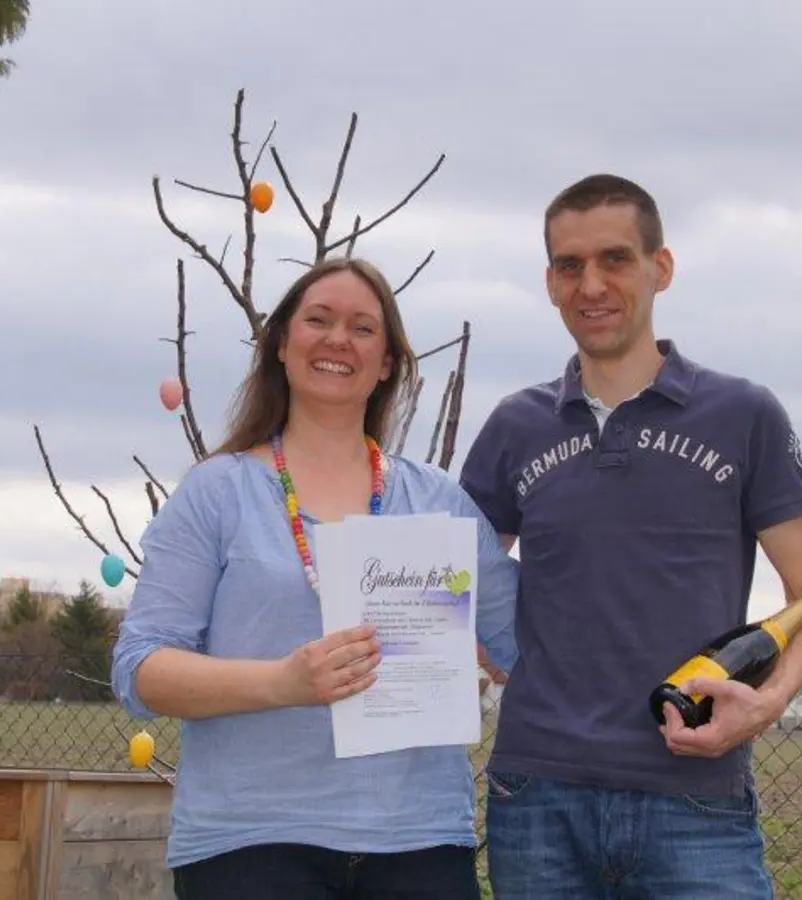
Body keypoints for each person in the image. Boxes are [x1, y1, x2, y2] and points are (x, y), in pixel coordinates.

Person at [458, 173, 802, 899]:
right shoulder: (516, 425)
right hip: (536, 796)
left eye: (615, 259)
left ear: (659, 268)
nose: (592, 285)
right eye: (570, 266)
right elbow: (450, 581)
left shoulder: (744, 415)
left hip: (694, 795)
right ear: (549, 283)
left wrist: (768, 702)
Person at [111, 256, 520, 900]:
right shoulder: (217, 493)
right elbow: (139, 670)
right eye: (318, 320)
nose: (337, 340)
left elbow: (525, 642)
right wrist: (283, 682)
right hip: (249, 846)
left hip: (419, 846)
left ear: (387, 362)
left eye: (363, 329)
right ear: (280, 343)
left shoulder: (438, 502)